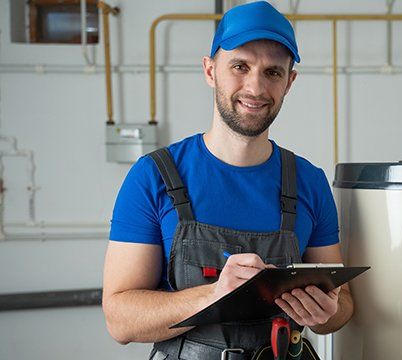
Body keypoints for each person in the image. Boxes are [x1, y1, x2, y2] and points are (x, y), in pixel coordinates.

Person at [101, 2, 353, 359]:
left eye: (273, 73)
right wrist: (215, 294)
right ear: (210, 70)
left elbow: (343, 308)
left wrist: (327, 314)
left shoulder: (309, 182)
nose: (256, 87)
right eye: (240, 66)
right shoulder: (153, 176)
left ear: (289, 82)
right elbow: (121, 321)